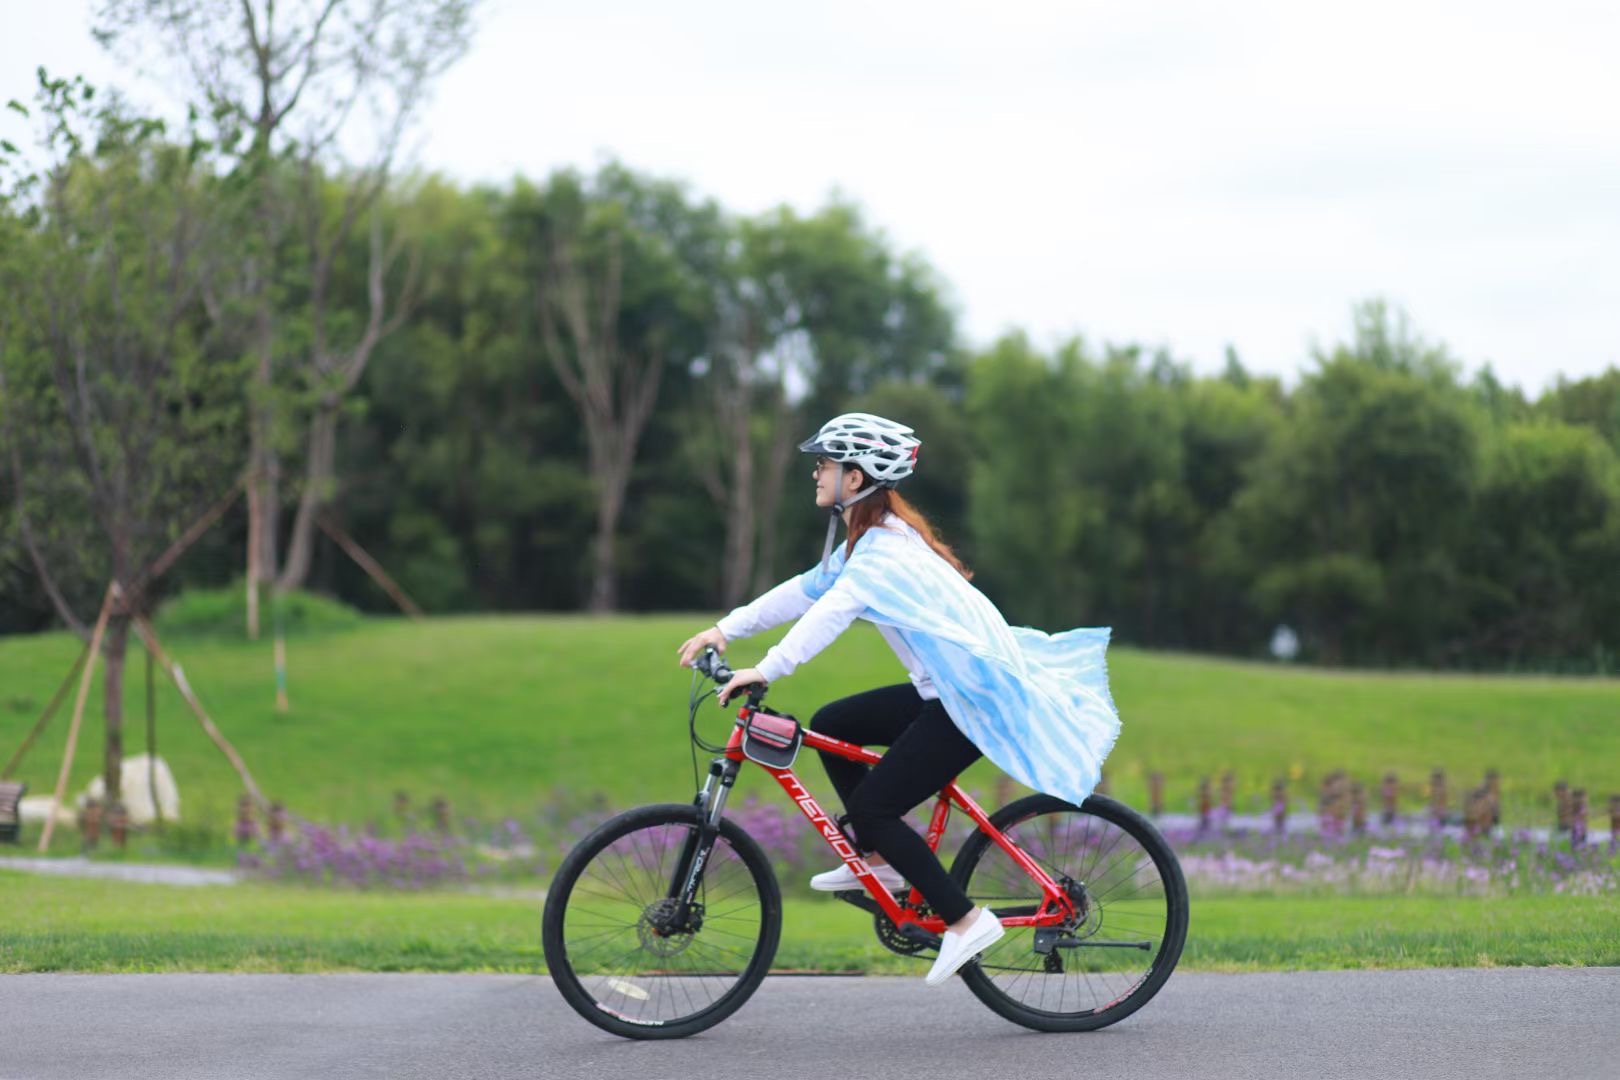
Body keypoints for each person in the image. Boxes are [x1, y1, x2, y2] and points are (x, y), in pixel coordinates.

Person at [677, 412, 1120, 987]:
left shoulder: (882, 555)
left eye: (826, 463)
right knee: (834, 724)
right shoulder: (873, 540)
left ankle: (964, 921)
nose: (816, 472)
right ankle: (881, 862)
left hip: (970, 703)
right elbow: (807, 589)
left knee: (875, 808)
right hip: (944, 690)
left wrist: (765, 669)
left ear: (855, 479)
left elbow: (829, 616)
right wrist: (726, 629)